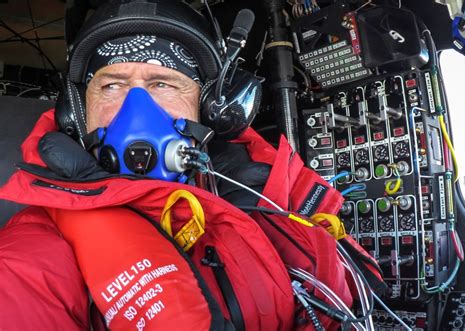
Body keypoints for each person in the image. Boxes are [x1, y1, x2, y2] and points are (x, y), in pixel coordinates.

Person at [0, 0, 371, 329]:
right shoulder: (31, 256)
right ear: (76, 114)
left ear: (209, 110)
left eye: (163, 83)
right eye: (111, 85)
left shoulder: (269, 190)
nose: (137, 110)